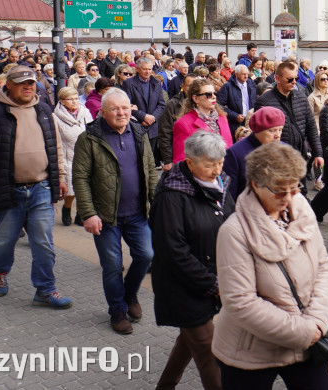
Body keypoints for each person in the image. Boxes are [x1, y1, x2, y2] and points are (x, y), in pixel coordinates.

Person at [210, 142, 328, 390]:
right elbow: (240, 301)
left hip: (307, 341)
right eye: (279, 190)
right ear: (255, 184)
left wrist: (317, 320)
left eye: (294, 188)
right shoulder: (234, 232)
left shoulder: (301, 210)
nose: (288, 198)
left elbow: (324, 267)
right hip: (250, 350)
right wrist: (302, 331)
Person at [0, 66, 72, 308]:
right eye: (22, 83)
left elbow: (56, 147)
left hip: (41, 188)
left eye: (31, 83)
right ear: (8, 85)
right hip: (6, 187)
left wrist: (61, 177)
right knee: (4, 241)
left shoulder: (44, 110)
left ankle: (45, 289)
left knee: (43, 242)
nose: (27, 87)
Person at [150, 130, 235, 389]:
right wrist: (213, 285)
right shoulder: (172, 195)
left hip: (210, 281)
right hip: (183, 288)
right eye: (210, 165)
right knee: (211, 356)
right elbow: (172, 250)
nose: (217, 170)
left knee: (189, 341)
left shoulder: (220, 185)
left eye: (220, 163)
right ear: (189, 162)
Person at [73, 88, 158, 334]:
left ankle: (130, 295)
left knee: (146, 255)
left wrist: (157, 204)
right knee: (112, 266)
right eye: (114, 108)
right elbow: (80, 177)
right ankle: (118, 311)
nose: (121, 113)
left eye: (125, 107)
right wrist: (88, 213)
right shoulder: (89, 138)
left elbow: (150, 170)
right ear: (102, 112)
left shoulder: (139, 132)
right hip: (105, 216)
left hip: (137, 213)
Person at [254, 61, 324, 176]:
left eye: (295, 78)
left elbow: (311, 126)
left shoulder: (300, 97)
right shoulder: (264, 101)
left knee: (301, 191)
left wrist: (318, 153)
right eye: (290, 79)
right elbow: (259, 134)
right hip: (277, 159)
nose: (294, 82)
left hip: (299, 156)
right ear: (277, 78)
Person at [222, 106, 286, 201]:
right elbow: (230, 196)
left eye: (280, 130)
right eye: (272, 131)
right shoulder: (235, 153)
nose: (277, 135)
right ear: (258, 131)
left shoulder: (285, 149)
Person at [53, 86, 91, 227]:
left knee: (85, 186)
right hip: (67, 155)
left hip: (86, 154)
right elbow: (56, 140)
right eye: (70, 99)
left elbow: (92, 128)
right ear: (62, 101)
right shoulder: (56, 116)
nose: (74, 101)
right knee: (70, 189)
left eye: (76, 98)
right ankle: (67, 208)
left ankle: (81, 214)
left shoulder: (84, 111)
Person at [172, 79, 233, 163]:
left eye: (214, 93)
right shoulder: (183, 124)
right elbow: (180, 161)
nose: (214, 97)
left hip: (226, 171)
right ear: (196, 98)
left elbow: (229, 148)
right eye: (208, 94)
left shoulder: (222, 117)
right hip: (201, 174)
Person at [123, 56, 167, 158]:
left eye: (149, 69)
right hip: (136, 125)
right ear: (137, 69)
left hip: (152, 126)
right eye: (144, 69)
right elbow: (127, 105)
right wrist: (143, 116)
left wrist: (152, 118)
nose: (147, 72)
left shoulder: (156, 83)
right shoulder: (128, 83)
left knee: (150, 157)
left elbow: (161, 104)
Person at [217, 64, 256, 131]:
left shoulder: (251, 84)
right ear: (236, 74)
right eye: (243, 74)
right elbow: (219, 105)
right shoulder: (227, 86)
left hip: (250, 121)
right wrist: (234, 115)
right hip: (235, 124)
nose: (246, 76)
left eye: (247, 74)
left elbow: (255, 100)